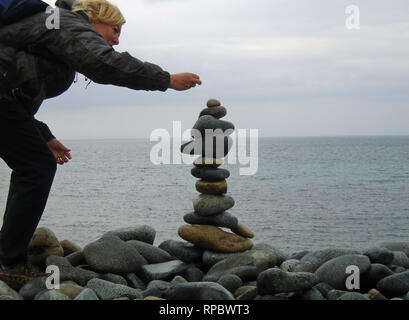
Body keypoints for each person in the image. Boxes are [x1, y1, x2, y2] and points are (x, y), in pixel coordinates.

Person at [0, 0, 202, 289]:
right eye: (115, 30)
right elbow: (103, 64)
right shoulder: (67, 23)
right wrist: (165, 79)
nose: (117, 39)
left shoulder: (54, 29)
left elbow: (15, 93)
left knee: (33, 164)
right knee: (36, 167)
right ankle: (9, 263)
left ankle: (8, 257)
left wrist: (43, 135)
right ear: (96, 19)